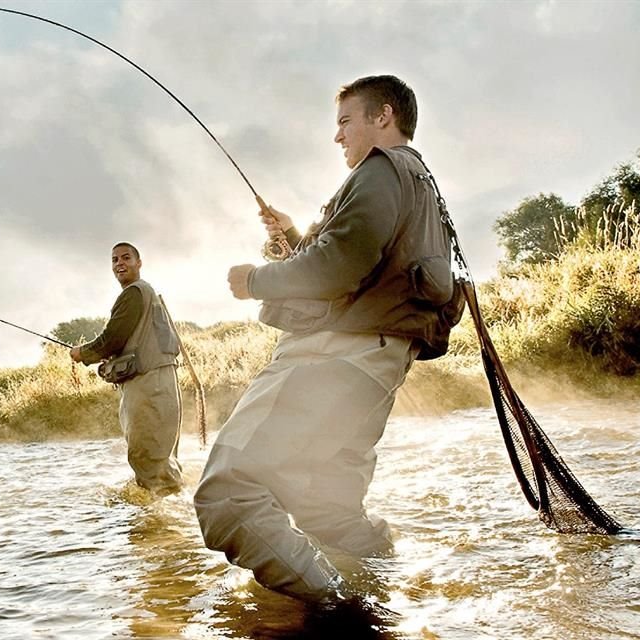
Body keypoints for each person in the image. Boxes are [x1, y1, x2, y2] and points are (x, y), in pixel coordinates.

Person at [194, 75, 460, 605]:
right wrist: (294, 238)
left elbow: (339, 265)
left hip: (330, 363)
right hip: (373, 376)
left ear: (383, 116)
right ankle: (394, 601)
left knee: (228, 494)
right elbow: (363, 261)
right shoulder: (420, 182)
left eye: (345, 121)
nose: (337, 136)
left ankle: (343, 616)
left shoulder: (381, 169)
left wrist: (256, 281)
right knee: (329, 513)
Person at [71, 242, 183, 495]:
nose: (119, 263)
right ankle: (173, 519)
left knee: (147, 458)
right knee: (162, 458)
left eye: (126, 258)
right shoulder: (148, 293)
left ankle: (157, 524)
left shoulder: (133, 293)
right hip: (163, 383)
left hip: (148, 386)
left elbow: (112, 338)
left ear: (138, 263)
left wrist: (82, 353)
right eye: (114, 260)